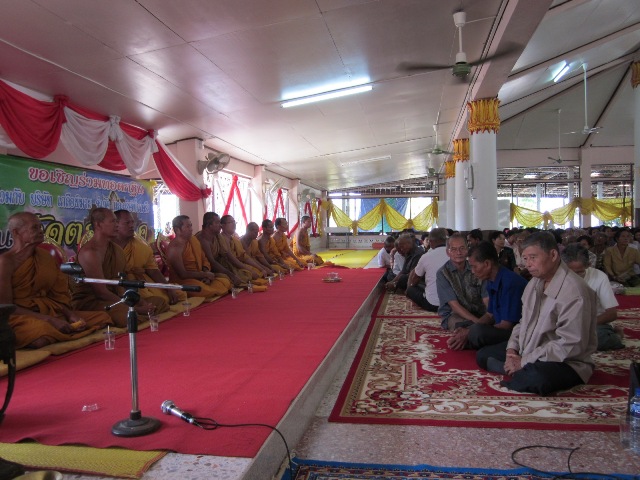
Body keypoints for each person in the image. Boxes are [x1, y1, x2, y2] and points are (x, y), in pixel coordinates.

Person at [476, 232, 597, 396]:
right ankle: (517, 369)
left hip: (565, 360)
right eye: (525, 259)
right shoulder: (534, 283)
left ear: (553, 255)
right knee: (483, 355)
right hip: (529, 349)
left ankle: (519, 371)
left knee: (536, 377)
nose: (528, 264)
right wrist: (512, 350)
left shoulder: (574, 291)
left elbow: (570, 344)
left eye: (533, 258)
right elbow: (522, 323)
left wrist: (524, 361)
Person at [0, 212, 111, 348]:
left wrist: (70, 315)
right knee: (41, 334)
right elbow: (6, 308)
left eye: (40, 227)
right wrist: (49, 320)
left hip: (50, 312)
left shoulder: (45, 257)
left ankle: (58, 331)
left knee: (102, 317)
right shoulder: (5, 262)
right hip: (20, 318)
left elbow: (57, 296)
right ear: (16, 232)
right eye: (35, 228)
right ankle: (55, 332)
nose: (41, 231)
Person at [72, 208, 161, 327]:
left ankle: (137, 312)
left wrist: (141, 302)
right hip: (92, 302)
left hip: (116, 297)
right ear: (98, 224)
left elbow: (122, 283)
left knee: (159, 303)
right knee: (127, 317)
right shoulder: (90, 253)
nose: (117, 225)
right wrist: (135, 307)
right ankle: (136, 314)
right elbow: (101, 292)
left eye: (117, 221)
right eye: (113, 221)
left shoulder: (116, 250)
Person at [448, 241, 528, 351]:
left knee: (477, 333)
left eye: (474, 266)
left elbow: (506, 325)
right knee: (464, 326)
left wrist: (470, 332)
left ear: (487, 264)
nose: (472, 271)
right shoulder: (491, 279)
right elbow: (490, 315)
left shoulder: (510, 283)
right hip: (499, 326)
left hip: (514, 333)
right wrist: (469, 329)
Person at [113, 209, 184, 309]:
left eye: (132, 222)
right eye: (127, 223)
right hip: (119, 286)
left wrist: (167, 288)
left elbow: (153, 271)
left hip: (140, 283)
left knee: (178, 293)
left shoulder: (140, 245)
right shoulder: (109, 246)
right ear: (116, 224)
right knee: (158, 301)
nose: (131, 225)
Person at [562, 243, 623, 351]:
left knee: (597, 338)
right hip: (565, 323)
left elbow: (612, 313)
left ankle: (616, 336)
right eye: (571, 272)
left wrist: (585, 324)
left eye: (579, 272)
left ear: (588, 265)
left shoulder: (599, 277)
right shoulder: (557, 275)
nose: (575, 276)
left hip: (593, 323)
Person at [166, 215, 231, 298]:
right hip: (184, 281)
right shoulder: (175, 248)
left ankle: (213, 290)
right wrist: (204, 275)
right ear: (177, 230)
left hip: (200, 276)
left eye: (191, 225)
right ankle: (213, 291)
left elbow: (204, 259)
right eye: (188, 226)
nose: (191, 229)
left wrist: (206, 273)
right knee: (200, 289)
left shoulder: (193, 240)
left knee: (225, 280)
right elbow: (183, 274)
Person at [435, 233, 487, 332]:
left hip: (478, 312)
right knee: (465, 327)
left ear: (467, 249)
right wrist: (478, 322)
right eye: (454, 249)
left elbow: (486, 298)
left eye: (462, 248)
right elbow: (454, 306)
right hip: (454, 315)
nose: (459, 253)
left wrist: (489, 317)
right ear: (448, 252)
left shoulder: (476, 269)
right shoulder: (443, 273)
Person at [406, 228, 449, 311]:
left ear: (431, 241)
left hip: (432, 304)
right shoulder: (455, 255)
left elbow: (415, 279)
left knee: (411, 289)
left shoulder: (426, 256)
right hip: (452, 304)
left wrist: (410, 286)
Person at [195, 212, 243, 287]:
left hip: (216, 268)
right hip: (203, 270)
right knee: (226, 280)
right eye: (217, 223)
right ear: (209, 225)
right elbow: (211, 262)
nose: (220, 225)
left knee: (243, 274)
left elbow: (226, 255)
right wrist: (231, 275)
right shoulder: (202, 240)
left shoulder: (217, 237)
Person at [219, 215, 270, 283]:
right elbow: (231, 259)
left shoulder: (235, 240)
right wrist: (250, 270)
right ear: (222, 225)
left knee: (258, 272)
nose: (234, 224)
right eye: (231, 222)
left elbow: (245, 257)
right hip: (227, 267)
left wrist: (261, 268)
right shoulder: (221, 239)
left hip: (238, 266)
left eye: (234, 222)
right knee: (251, 274)